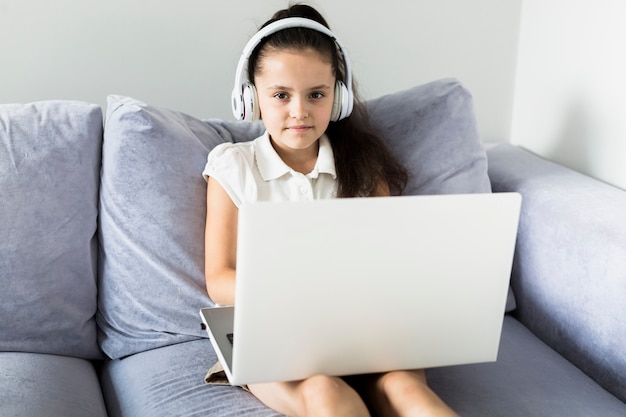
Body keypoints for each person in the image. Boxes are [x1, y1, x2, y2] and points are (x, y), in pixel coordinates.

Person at [203, 4, 459, 416]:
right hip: (275, 330)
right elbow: (219, 278)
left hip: (362, 328)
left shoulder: (363, 166)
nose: (299, 111)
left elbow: (389, 262)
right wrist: (301, 296)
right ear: (251, 98)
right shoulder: (232, 166)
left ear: (338, 98)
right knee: (323, 393)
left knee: (406, 392)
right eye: (281, 95)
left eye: (316, 95)